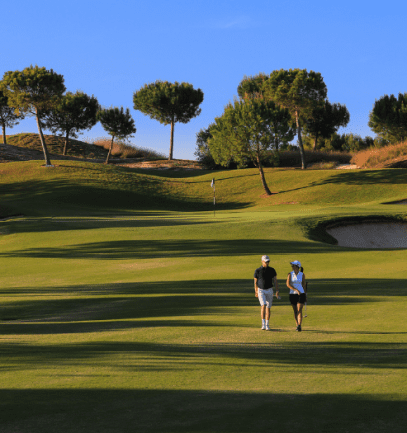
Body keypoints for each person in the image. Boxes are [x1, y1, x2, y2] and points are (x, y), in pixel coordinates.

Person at [254, 255, 279, 331]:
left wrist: (277, 290)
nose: (267, 263)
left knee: (268, 307)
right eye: (266, 261)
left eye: (268, 261)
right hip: (261, 290)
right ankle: (263, 324)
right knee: (263, 305)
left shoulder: (272, 270)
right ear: (262, 261)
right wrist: (256, 291)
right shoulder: (257, 270)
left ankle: (267, 324)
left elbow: (275, 280)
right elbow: (255, 282)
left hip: (269, 290)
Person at [286, 260, 307, 331]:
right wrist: (295, 290)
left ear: (297, 266)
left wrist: (305, 294)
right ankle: (297, 324)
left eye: (293, 265)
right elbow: (288, 284)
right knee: (295, 310)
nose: (292, 266)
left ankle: (299, 325)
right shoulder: (290, 274)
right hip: (292, 294)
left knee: (299, 309)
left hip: (301, 294)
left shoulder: (302, 274)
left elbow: (303, 285)